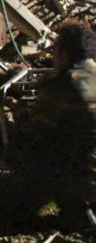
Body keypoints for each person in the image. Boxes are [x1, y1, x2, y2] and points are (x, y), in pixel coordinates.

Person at [19, 18, 96, 226]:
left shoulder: (62, 84)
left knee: (21, 147)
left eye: (56, 50)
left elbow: (35, 126)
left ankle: (70, 207)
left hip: (85, 172)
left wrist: (18, 111)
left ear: (65, 54)